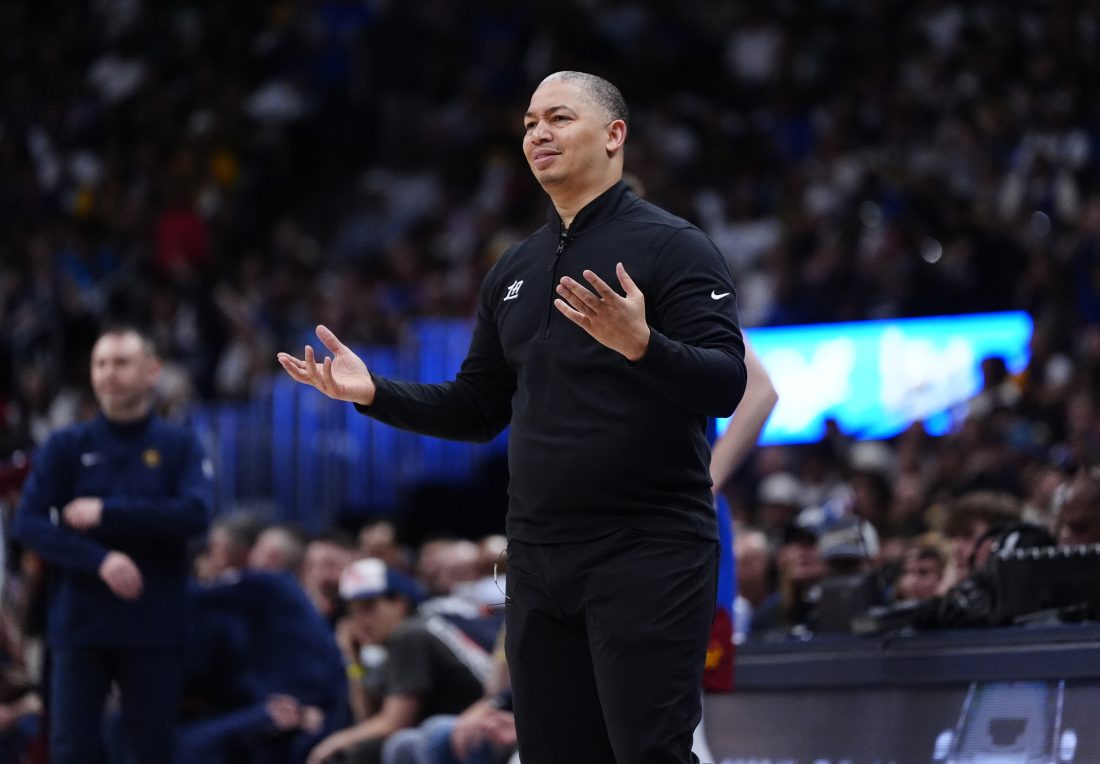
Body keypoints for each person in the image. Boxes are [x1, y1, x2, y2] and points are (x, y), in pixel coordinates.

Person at [277, 70, 747, 764]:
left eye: (559, 118)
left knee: (649, 753)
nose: (538, 134)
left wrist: (644, 346)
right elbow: (476, 409)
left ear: (615, 136)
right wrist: (375, 392)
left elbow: (726, 384)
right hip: (535, 559)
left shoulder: (674, 247)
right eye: (530, 123)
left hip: (646, 550)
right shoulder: (513, 270)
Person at [12, 325, 214, 763]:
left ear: (152, 370)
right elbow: (27, 524)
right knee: (71, 750)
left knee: (151, 751)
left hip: (154, 621)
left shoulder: (179, 444)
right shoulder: (66, 444)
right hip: (80, 623)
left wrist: (108, 512)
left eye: (121, 362)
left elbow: (197, 514)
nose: (109, 373)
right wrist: (99, 559)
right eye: (100, 363)